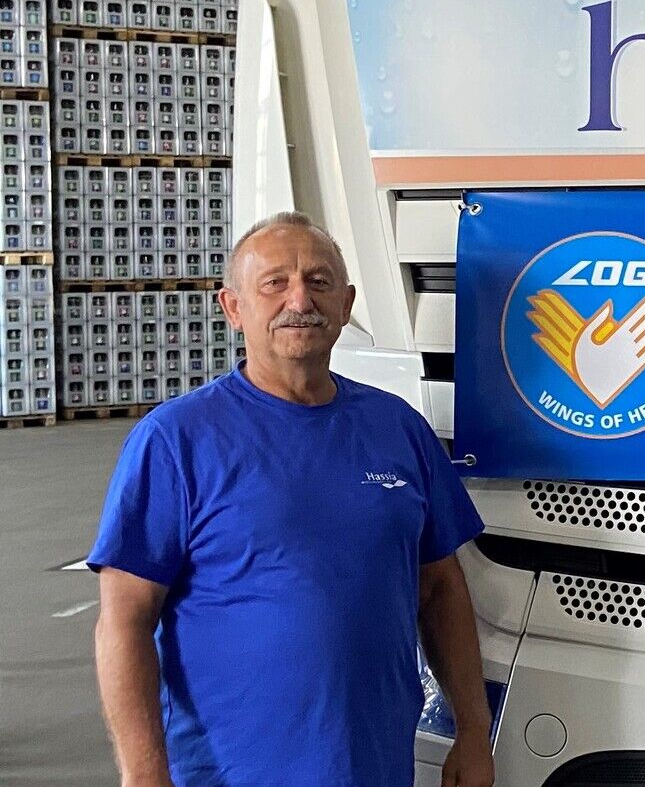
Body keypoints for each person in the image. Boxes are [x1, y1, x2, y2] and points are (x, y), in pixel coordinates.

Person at [88, 212, 494, 787]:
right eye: (274, 282)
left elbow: (441, 588)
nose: (299, 299)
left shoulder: (398, 428)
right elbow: (124, 621)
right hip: (227, 774)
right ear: (233, 307)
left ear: (346, 304)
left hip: (375, 768)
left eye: (319, 282)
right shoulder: (175, 441)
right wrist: (144, 776)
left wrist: (473, 730)